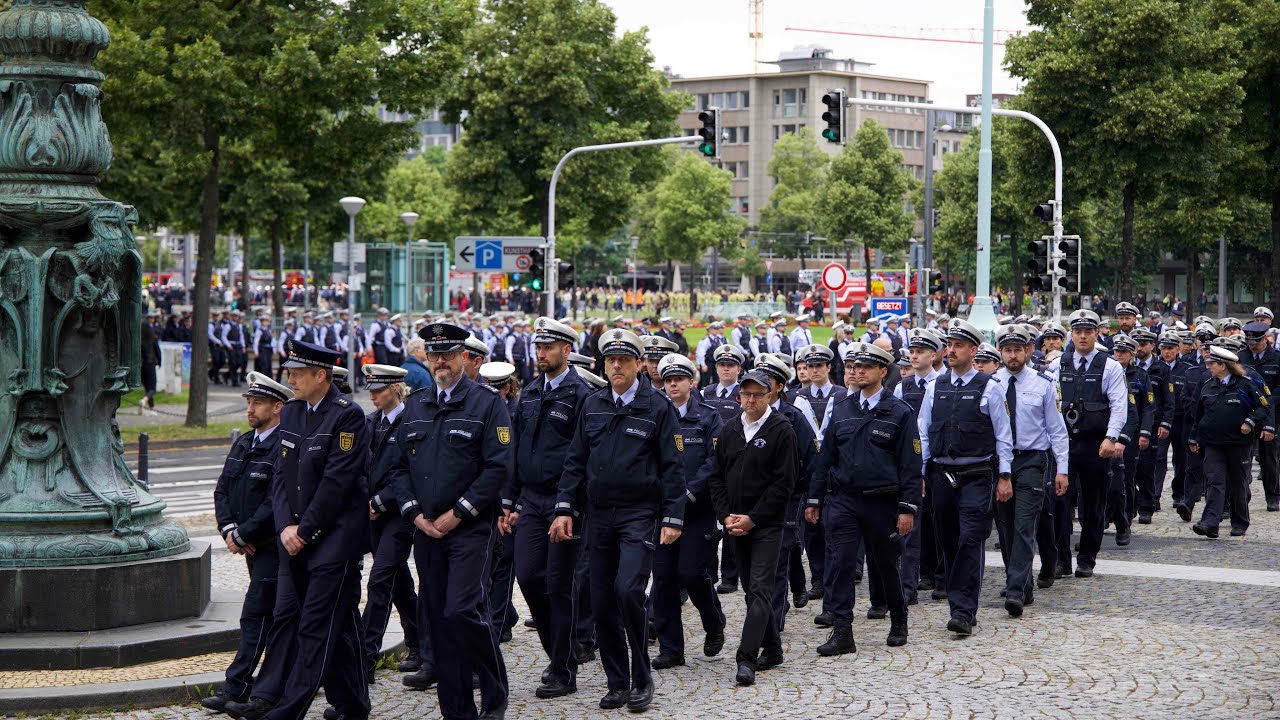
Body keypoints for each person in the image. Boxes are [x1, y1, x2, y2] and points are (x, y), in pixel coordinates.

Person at [223, 340, 370, 720]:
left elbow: (336, 484)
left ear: (321, 375)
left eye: (296, 373)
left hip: (333, 540)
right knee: (333, 625)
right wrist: (286, 525)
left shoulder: (347, 416)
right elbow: (280, 479)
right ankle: (353, 705)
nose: (290, 379)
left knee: (315, 628)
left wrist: (302, 530)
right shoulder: (291, 413)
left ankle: (287, 710)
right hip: (295, 539)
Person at [551, 329, 686, 712]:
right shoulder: (592, 405)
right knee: (600, 598)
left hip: (639, 513)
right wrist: (564, 508)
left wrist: (672, 517)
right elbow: (575, 461)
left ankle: (642, 677)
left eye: (624, 360)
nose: (616, 367)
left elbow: (673, 468)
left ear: (640, 364)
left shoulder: (657, 407)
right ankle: (617, 682)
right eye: (610, 360)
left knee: (628, 590)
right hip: (598, 516)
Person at [389, 323, 512, 720]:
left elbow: (498, 467)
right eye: (433, 353)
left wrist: (457, 513)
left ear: (464, 357)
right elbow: (398, 469)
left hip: (470, 527)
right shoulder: (416, 405)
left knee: (462, 610)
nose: (440, 360)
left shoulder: (487, 404)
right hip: (426, 530)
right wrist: (414, 514)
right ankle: (456, 710)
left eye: (448, 353)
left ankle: (494, 692)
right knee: (438, 621)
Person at [498, 318, 594, 701]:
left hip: (563, 500)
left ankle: (563, 666)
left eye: (549, 348)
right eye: (538, 347)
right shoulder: (533, 392)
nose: (541, 354)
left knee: (558, 584)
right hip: (531, 500)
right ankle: (560, 652)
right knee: (527, 575)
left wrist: (567, 506)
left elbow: (581, 455)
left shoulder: (581, 394)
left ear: (566, 350)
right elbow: (518, 450)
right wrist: (509, 500)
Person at [805, 342, 920, 654]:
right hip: (844, 500)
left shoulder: (899, 412)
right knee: (841, 563)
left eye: (865, 367)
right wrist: (814, 499)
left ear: (883, 371)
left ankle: (898, 617)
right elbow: (825, 458)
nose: (856, 372)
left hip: (882, 501)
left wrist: (907, 507)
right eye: (853, 367)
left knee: (885, 564)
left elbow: (910, 464)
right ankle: (843, 631)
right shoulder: (842, 408)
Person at [917, 319, 1014, 636]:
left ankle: (963, 610)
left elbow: (1003, 435)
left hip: (976, 475)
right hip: (941, 475)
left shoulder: (990, 387)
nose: (952, 351)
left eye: (959, 346)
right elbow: (923, 434)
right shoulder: (936, 387)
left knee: (970, 539)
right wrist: (920, 473)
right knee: (948, 541)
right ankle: (959, 604)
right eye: (950, 345)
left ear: (974, 350)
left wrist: (1004, 475)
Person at [202, 372, 291, 714]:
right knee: (266, 617)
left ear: (277, 407)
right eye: (249, 403)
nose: (250, 409)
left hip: (271, 547)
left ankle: (237, 687)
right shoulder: (245, 441)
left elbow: (275, 502)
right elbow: (222, 488)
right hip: (251, 544)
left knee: (256, 616)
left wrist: (245, 534)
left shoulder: (282, 444)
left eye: (258, 403)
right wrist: (229, 528)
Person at [707, 369, 798, 686]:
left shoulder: (781, 430)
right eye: (746, 394)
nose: (751, 399)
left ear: (770, 395)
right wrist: (725, 516)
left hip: (767, 525)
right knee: (751, 591)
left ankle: (746, 658)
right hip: (734, 523)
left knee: (760, 589)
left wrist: (753, 518)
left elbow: (783, 484)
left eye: (758, 394)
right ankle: (772, 648)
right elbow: (716, 476)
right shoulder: (730, 429)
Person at [650, 354, 727, 671]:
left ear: (691, 383)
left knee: (692, 573)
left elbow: (715, 461)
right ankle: (671, 648)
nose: (672, 385)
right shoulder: (656, 415)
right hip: (664, 509)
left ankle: (714, 620)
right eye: (668, 380)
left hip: (697, 510)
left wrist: (689, 492)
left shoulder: (708, 417)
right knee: (665, 578)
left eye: (678, 379)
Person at [358, 365, 427, 690]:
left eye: (379, 389)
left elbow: (414, 470)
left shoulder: (411, 419)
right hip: (373, 515)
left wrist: (381, 500)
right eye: (371, 388)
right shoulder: (370, 422)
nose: (372, 394)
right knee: (399, 582)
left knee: (380, 579)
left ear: (396, 389)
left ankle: (365, 658)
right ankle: (420, 643)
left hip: (400, 514)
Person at [992, 325, 1069, 616]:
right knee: (1006, 527)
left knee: (1025, 526)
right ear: (1001, 353)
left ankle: (1013, 591)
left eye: (1018, 350)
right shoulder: (992, 384)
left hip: (1033, 460)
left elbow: (1057, 430)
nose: (1013, 355)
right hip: (1002, 462)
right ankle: (1023, 584)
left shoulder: (1042, 383)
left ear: (1028, 351)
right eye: (1008, 350)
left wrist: (1062, 469)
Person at [1052, 309, 1130, 579]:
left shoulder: (1109, 366)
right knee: (1060, 502)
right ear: (1071, 334)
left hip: (1096, 445)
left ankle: (1087, 558)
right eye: (1078, 332)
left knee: (1094, 504)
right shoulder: (1058, 365)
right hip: (1064, 444)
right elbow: (1050, 404)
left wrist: (1111, 437)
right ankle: (1062, 559)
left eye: (1088, 331)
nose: (1082, 336)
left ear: (1097, 333)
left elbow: (1119, 406)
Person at [1188, 344, 1268, 538]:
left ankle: (1239, 521)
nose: (1208, 366)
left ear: (1223, 365)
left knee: (1237, 483)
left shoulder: (1245, 385)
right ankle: (1210, 523)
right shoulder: (1208, 386)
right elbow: (1197, 415)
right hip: (1213, 444)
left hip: (1238, 444)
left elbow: (1262, 407)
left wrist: (1250, 422)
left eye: (1212, 363)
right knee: (1215, 481)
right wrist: (1193, 437)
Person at [791, 344, 846, 609]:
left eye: (818, 366)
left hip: (835, 468)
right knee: (811, 530)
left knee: (833, 528)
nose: (814, 371)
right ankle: (818, 579)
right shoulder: (798, 396)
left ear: (828, 368)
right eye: (810, 366)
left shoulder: (841, 394)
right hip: (809, 470)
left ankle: (835, 580)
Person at [894, 327, 944, 603]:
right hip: (912, 458)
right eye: (912, 352)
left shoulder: (943, 382)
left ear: (933, 355)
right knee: (915, 522)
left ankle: (939, 573)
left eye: (920, 352)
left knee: (939, 520)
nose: (914, 356)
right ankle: (917, 575)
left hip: (937, 457)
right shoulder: (904, 386)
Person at [1241, 320, 1280, 512]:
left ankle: (1272, 496)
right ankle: (1241, 497)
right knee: (1242, 458)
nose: (1252, 346)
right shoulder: (1241, 357)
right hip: (1247, 413)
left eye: (1255, 342)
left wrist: (1269, 418)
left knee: (1268, 458)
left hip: (1270, 414)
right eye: (1249, 343)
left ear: (1265, 339)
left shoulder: (1277, 358)